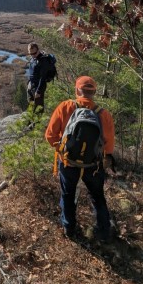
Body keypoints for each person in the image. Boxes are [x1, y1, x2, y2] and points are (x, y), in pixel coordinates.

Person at [45, 75, 116, 241]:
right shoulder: (104, 115)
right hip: (94, 165)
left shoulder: (65, 107)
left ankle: (69, 228)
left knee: (68, 194)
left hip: (68, 162)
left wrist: (62, 150)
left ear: (77, 90)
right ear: (94, 92)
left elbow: (50, 136)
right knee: (97, 196)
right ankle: (103, 232)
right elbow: (109, 146)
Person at [26, 42, 47, 112]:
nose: (33, 55)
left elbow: (43, 77)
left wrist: (38, 91)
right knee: (31, 106)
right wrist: (29, 83)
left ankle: (37, 123)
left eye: (34, 53)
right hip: (31, 86)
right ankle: (31, 121)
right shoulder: (33, 59)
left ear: (38, 50)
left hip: (38, 88)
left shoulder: (43, 61)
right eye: (30, 54)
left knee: (38, 109)